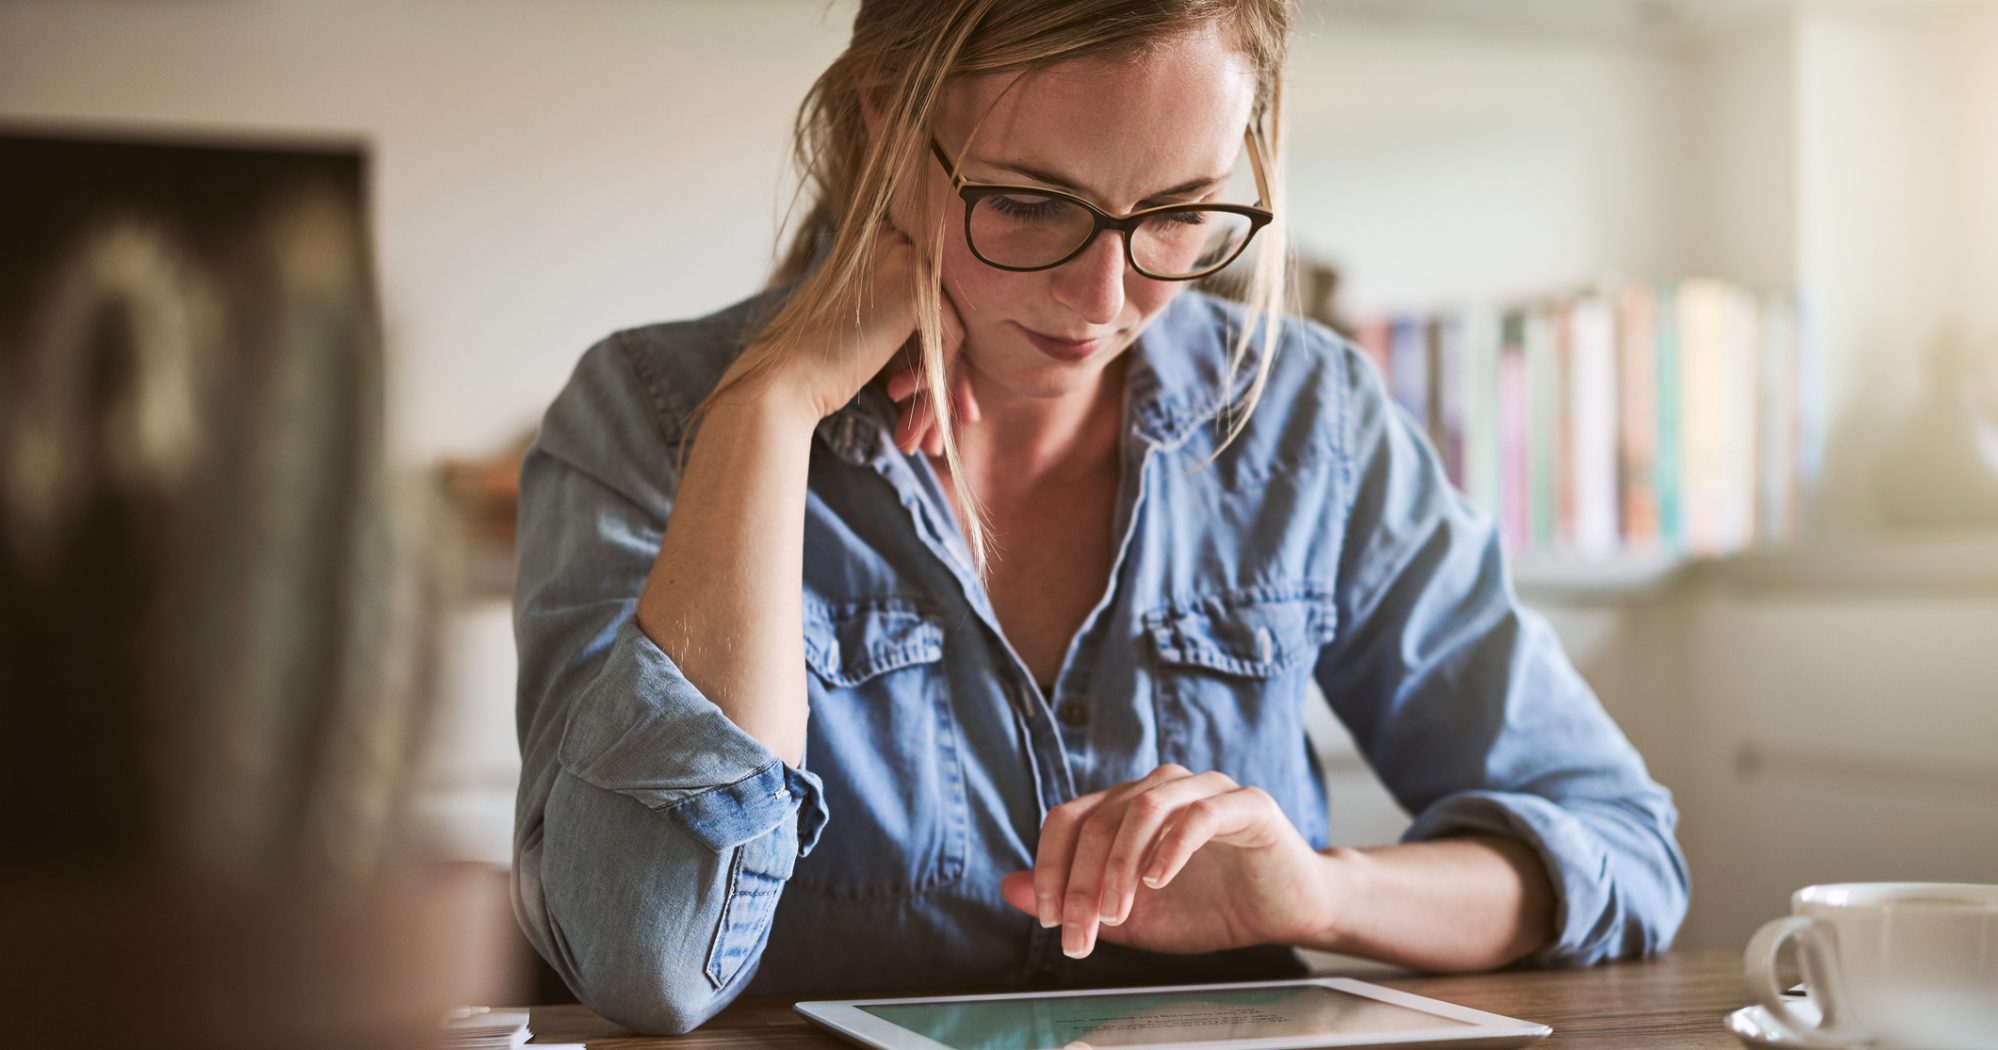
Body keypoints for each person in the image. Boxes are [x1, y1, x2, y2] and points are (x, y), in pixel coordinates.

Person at [510, 0, 1689, 1036]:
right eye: (1029, 204)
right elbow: (646, 960)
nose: (1104, 299)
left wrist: (1323, 896)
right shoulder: (652, 418)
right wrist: (769, 412)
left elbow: (1621, 849)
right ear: (881, 124)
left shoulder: (1307, 420)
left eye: (1181, 214)